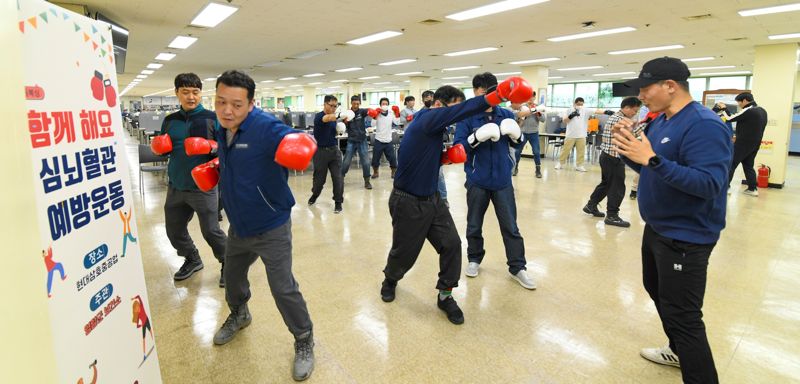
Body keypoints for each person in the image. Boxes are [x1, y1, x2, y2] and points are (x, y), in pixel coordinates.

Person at [614, 56, 731, 384]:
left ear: (670, 86)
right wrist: (630, 153)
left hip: (686, 235)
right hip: (657, 228)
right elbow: (655, 171)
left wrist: (650, 158)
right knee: (657, 290)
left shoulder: (704, 125)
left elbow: (709, 184)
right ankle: (678, 350)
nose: (640, 96)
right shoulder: (661, 120)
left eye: (645, 88)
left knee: (684, 316)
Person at [380, 76, 533, 325]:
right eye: (455, 108)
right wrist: (499, 94)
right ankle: (390, 279)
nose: (458, 117)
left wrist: (445, 158)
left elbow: (424, 155)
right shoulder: (428, 117)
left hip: (433, 199)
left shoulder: (433, 128)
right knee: (404, 253)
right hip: (407, 201)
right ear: (441, 105)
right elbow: (466, 109)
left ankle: (445, 295)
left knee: (451, 245)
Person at [198, 70, 316, 381]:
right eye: (221, 101)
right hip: (238, 226)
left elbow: (294, 137)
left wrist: (302, 142)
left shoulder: (265, 127)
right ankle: (240, 313)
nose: (227, 110)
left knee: (282, 288)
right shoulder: (221, 127)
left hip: (271, 226)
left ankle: (304, 338)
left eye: (237, 104)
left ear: (251, 104)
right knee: (233, 278)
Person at [454, 73, 536, 290]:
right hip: (477, 179)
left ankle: (518, 267)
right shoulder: (467, 117)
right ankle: (474, 258)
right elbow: (459, 148)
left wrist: (518, 135)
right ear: (476, 92)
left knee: (510, 226)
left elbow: (517, 145)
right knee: (474, 223)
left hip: (502, 179)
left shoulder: (506, 114)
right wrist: (475, 137)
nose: (490, 95)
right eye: (484, 91)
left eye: (493, 90)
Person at [149, 73, 227, 285]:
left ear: (201, 93)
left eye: (195, 92)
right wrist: (158, 149)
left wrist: (210, 146)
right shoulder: (170, 120)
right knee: (174, 231)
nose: (191, 97)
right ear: (177, 93)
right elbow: (164, 148)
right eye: (185, 92)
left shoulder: (213, 118)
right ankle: (192, 258)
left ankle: (228, 264)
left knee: (211, 231)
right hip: (176, 184)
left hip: (204, 186)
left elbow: (229, 148)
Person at [582, 96, 642, 227]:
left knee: (607, 184)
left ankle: (591, 205)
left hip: (607, 156)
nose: (635, 113)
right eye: (634, 111)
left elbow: (636, 130)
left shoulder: (619, 117)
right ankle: (612, 216)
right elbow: (634, 135)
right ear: (626, 108)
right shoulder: (620, 119)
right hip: (613, 157)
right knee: (617, 187)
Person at [718, 93, 768, 196]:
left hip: (743, 144)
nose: (739, 105)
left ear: (745, 100)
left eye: (739, 102)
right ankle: (752, 189)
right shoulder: (762, 111)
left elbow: (729, 118)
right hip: (755, 143)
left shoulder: (749, 110)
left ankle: (726, 188)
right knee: (748, 165)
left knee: (731, 163)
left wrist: (723, 108)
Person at [309, 95, 346, 213]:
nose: (334, 108)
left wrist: (340, 129)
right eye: (332, 106)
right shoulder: (319, 117)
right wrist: (340, 115)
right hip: (320, 152)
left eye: (336, 106)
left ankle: (338, 202)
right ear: (325, 104)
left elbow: (332, 126)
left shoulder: (334, 119)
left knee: (338, 178)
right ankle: (315, 195)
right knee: (319, 181)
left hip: (334, 151)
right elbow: (327, 118)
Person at [556, 99, 613, 171]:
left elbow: (596, 111)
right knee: (565, 150)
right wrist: (571, 116)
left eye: (581, 104)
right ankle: (560, 163)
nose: (580, 106)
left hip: (582, 135)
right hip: (570, 134)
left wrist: (606, 112)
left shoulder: (585, 110)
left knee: (581, 151)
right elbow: (565, 121)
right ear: (574, 103)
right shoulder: (568, 110)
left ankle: (579, 166)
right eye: (578, 104)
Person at [340, 95, 372, 189]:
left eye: (358, 104)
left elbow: (370, 111)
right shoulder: (346, 113)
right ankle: (341, 177)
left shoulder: (362, 112)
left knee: (366, 162)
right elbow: (340, 123)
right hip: (351, 140)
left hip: (362, 140)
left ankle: (367, 181)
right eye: (354, 103)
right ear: (351, 103)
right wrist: (344, 122)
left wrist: (375, 111)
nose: (356, 105)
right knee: (346, 161)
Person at [510, 92, 545, 178]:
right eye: (528, 97)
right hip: (523, 132)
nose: (530, 99)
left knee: (536, 152)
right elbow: (516, 117)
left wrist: (538, 112)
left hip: (534, 133)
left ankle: (538, 170)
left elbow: (543, 119)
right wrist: (523, 114)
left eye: (532, 97)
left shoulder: (538, 107)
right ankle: (515, 168)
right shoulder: (521, 107)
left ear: (534, 98)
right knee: (517, 151)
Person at [368, 97, 400, 179]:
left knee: (392, 158)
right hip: (379, 139)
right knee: (375, 159)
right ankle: (375, 172)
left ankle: (393, 172)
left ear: (388, 105)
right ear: (380, 105)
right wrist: (375, 116)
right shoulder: (377, 113)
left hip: (388, 140)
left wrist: (397, 113)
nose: (384, 105)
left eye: (386, 104)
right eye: (383, 104)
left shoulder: (390, 113)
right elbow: (372, 124)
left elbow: (397, 122)